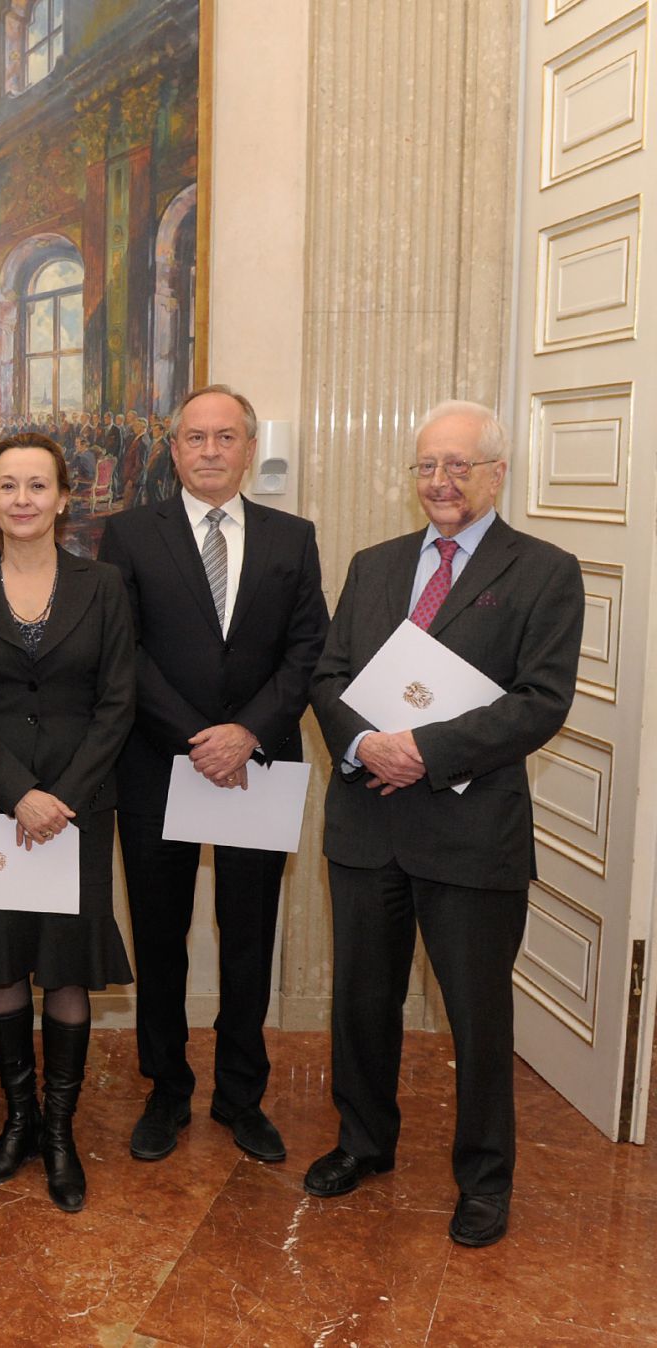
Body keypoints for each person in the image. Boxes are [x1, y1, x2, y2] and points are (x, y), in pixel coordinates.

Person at [306, 400, 583, 1248]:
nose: (441, 482)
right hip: (366, 824)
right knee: (362, 1000)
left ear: (498, 473)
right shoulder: (374, 563)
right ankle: (364, 1142)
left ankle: (485, 1179)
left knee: (476, 1013)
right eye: (429, 465)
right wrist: (364, 748)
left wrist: (422, 749)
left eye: (460, 465)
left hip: (471, 833)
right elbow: (330, 675)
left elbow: (542, 702)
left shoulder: (545, 570)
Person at [97, 384, 328, 1166]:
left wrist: (248, 731)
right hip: (161, 764)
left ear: (248, 445)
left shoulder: (293, 539)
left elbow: (308, 654)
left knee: (248, 934)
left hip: (257, 765)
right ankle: (166, 1089)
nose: (209, 451)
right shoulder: (128, 535)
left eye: (225, 437)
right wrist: (201, 736)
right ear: (173, 450)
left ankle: (241, 1095)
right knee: (160, 935)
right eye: (194, 438)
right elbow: (122, 652)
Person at [0, 433, 136, 1212]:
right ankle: (16, 1123)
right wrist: (19, 792)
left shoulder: (105, 585)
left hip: (77, 810)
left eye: (37, 486)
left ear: (62, 498)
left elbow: (118, 701)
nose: (23, 499)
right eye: (9, 486)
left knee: (66, 967)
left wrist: (60, 795)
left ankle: (59, 1133)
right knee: (1, 962)